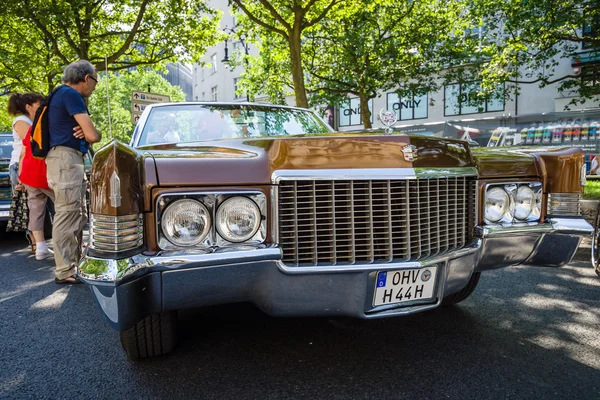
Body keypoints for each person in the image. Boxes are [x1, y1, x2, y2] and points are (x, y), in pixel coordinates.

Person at [46, 60, 102, 284]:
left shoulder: (60, 94)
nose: (95, 87)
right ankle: (65, 270)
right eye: (95, 81)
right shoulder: (70, 95)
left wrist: (86, 130)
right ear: (86, 78)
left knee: (75, 213)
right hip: (66, 159)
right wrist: (92, 130)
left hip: (64, 159)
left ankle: (72, 265)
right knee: (68, 212)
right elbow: (93, 135)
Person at [18, 105, 56, 260]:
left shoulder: (32, 128)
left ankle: (40, 247)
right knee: (62, 209)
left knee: (35, 210)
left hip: (29, 174)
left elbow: (23, 153)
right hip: (45, 174)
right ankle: (65, 248)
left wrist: (21, 176)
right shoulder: (54, 127)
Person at [7, 93, 45, 193]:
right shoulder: (21, 121)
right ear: (28, 107)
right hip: (21, 165)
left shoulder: (33, 121)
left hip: (30, 165)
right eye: (39, 104)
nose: (43, 106)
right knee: (26, 204)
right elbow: (30, 143)